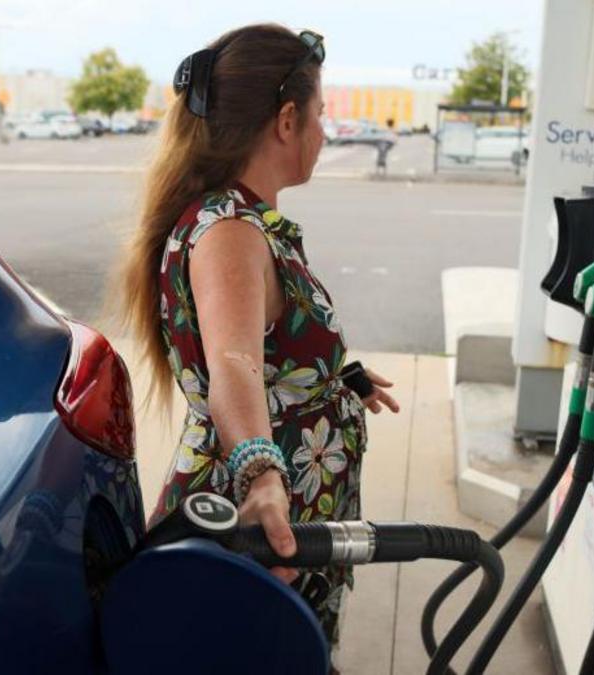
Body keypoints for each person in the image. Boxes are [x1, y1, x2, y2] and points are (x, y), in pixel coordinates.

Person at [112, 23, 401, 660]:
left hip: (289, 516)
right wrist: (263, 477)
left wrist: (334, 377)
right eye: (321, 113)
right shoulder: (231, 231)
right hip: (260, 522)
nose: (326, 131)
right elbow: (235, 366)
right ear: (288, 119)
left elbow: (265, 346)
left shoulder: (237, 219)